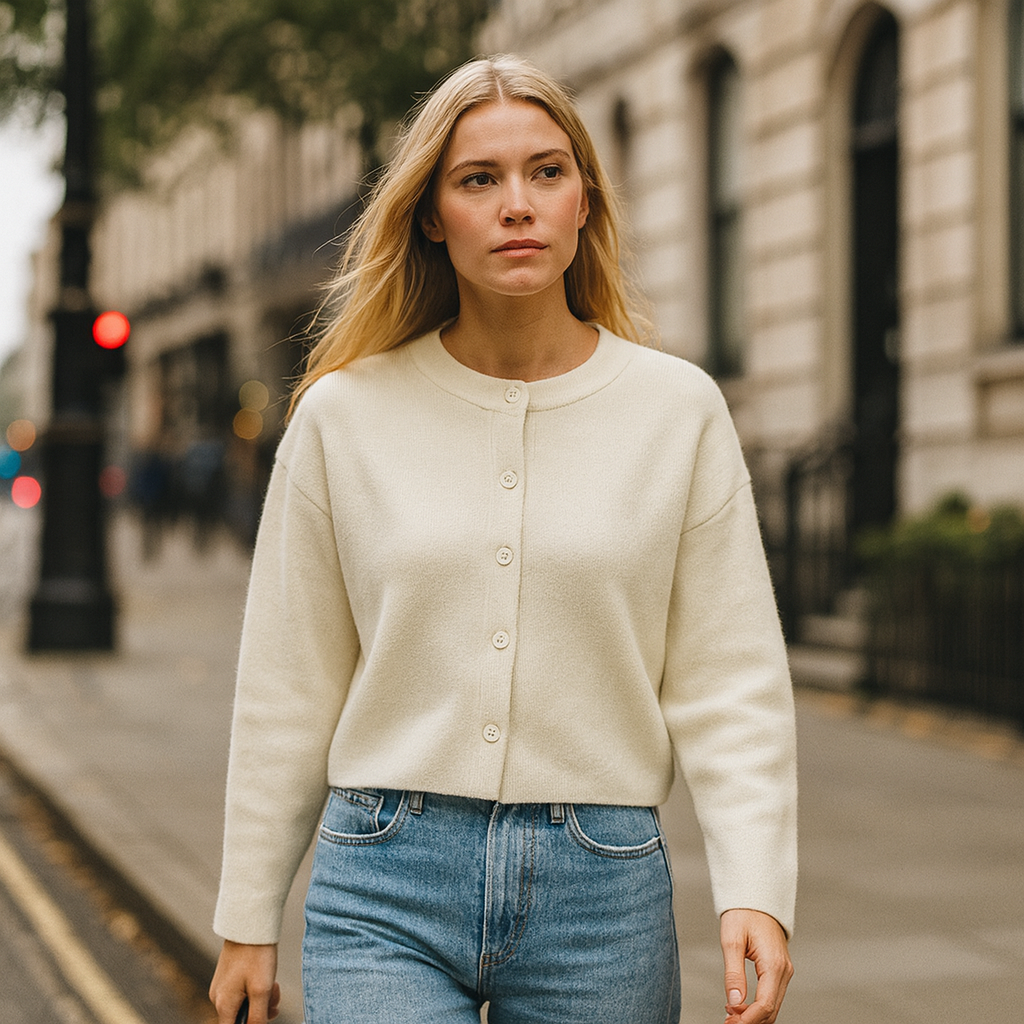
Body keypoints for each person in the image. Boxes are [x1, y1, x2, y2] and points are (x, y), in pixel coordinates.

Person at [209, 54, 797, 1024]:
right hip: (380, 882)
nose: (516, 203)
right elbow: (288, 679)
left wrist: (755, 887)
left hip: (599, 892)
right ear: (433, 213)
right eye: (478, 178)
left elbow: (728, 678)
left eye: (545, 171)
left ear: (585, 203)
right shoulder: (343, 416)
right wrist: (246, 913)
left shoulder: (676, 409)